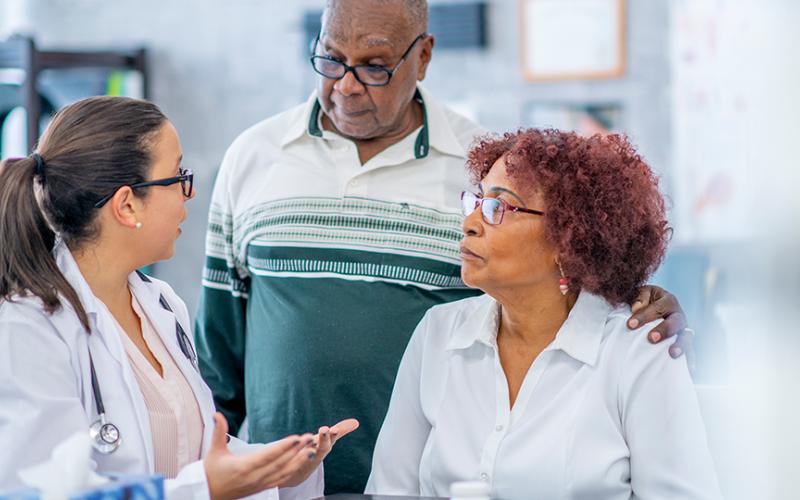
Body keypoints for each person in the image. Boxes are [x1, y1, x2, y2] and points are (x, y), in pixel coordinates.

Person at [195, 0, 692, 493]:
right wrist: (208, 477)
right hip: (278, 483)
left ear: (423, 56)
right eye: (329, 59)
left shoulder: (478, 163)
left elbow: (554, 275)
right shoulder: (252, 157)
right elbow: (217, 353)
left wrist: (635, 298)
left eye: (373, 66)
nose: (345, 85)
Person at [0, 96, 358, 499]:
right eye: (177, 176)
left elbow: (190, 451)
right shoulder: (27, 328)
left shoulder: (162, 306)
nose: (189, 192)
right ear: (127, 204)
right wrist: (206, 489)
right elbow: (38, 492)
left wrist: (275, 469)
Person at [365, 129, 722, 499]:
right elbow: (393, 490)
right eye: (476, 202)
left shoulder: (640, 350)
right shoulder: (436, 334)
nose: (469, 222)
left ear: (568, 240)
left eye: (498, 207)